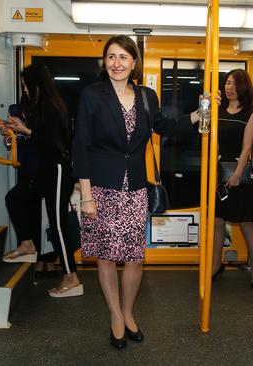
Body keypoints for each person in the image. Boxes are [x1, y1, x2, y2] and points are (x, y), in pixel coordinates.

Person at [73, 35, 206, 349]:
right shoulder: (92, 95)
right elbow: (81, 145)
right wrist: (86, 194)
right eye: (111, 57)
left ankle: (129, 312)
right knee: (106, 256)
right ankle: (115, 316)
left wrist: (200, 113)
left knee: (134, 257)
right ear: (104, 62)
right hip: (102, 189)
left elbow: (165, 126)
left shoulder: (147, 96)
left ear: (134, 62)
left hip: (135, 188)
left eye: (123, 57)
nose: (116, 63)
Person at [0, 63, 83, 298]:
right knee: (15, 197)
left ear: (38, 84)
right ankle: (27, 243)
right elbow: (36, 138)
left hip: (57, 169)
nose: (25, 89)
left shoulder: (52, 106)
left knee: (57, 226)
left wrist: (25, 130)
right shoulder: (40, 106)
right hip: (45, 170)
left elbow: (54, 143)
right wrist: (15, 130)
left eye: (27, 85)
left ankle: (71, 277)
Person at [211, 69, 253, 288]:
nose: (228, 87)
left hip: (238, 173)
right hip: (218, 171)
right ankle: (215, 265)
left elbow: (246, 149)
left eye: (233, 83)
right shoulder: (218, 110)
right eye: (227, 83)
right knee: (216, 222)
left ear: (242, 87)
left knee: (246, 223)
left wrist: (237, 174)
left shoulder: (249, 114)